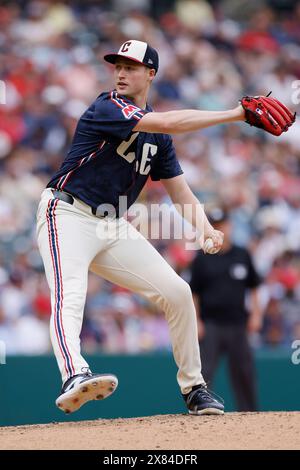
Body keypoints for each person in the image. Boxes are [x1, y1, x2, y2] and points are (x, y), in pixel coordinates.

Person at [36, 39, 248, 416]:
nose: (120, 72)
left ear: (150, 73)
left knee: (178, 293)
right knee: (70, 296)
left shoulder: (158, 139)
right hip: (66, 214)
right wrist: (235, 114)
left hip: (111, 224)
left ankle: (195, 389)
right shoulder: (107, 106)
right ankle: (74, 374)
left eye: (130, 67)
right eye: (117, 65)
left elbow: (180, 192)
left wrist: (206, 229)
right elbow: (167, 121)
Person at [189, 207, 263, 411]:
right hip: (211, 323)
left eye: (222, 225)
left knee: (244, 372)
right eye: (215, 226)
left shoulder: (242, 254)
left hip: (238, 323)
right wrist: (196, 321)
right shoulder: (202, 258)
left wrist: (256, 314)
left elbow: (254, 287)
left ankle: (250, 414)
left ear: (229, 226)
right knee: (205, 372)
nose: (220, 229)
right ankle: (202, 409)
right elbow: (193, 292)